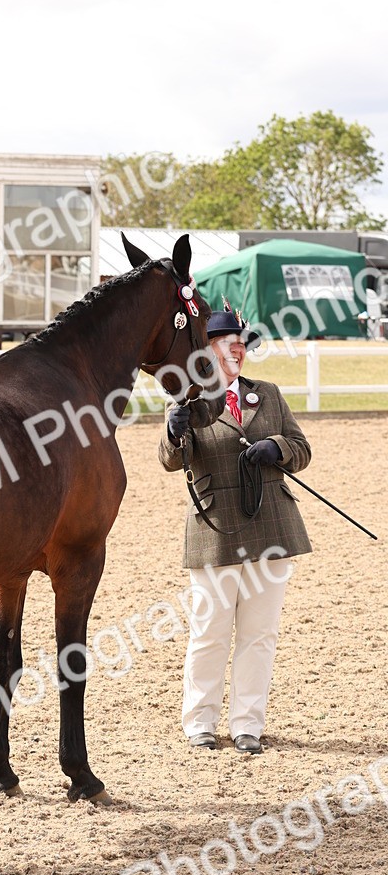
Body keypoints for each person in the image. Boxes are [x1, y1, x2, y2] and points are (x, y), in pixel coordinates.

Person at [158, 298, 312, 754]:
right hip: (216, 529)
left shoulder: (267, 393)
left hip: (271, 527)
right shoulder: (187, 400)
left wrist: (276, 447)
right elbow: (169, 461)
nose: (237, 350)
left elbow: (302, 449)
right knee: (210, 630)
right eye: (227, 343)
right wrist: (172, 430)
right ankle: (199, 723)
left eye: (241, 343)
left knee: (260, 633)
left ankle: (248, 725)